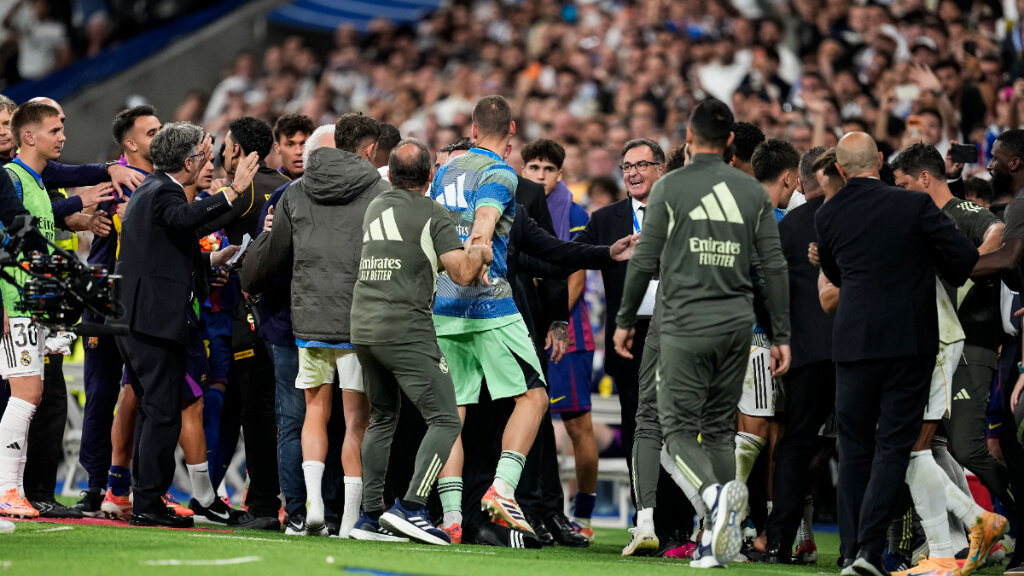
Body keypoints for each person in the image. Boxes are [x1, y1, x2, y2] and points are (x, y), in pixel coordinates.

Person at [613, 99, 791, 569]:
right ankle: (715, 540)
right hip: (736, 326)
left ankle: (714, 499)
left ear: (689, 139)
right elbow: (771, 267)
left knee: (673, 431)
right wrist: (781, 335)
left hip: (683, 322)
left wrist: (626, 319)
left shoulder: (671, 187)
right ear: (731, 141)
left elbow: (644, 259)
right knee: (716, 430)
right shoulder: (751, 191)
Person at [815, 132, 979, 576]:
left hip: (853, 343)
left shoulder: (828, 214)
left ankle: (852, 552)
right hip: (909, 343)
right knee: (892, 447)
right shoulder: (914, 205)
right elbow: (965, 258)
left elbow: (835, 273)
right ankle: (869, 552)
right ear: (882, 161)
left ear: (840, 169)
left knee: (853, 450)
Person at [243, 113, 388, 537]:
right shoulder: (377, 190)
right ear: (364, 150)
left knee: (312, 414)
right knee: (356, 421)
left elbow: (272, 258)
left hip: (307, 323)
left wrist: (249, 272)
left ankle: (311, 506)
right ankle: (350, 520)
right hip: (356, 322)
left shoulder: (295, 191)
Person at [352, 138, 491, 545]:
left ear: (391, 174)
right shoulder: (433, 212)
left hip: (363, 326)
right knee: (446, 419)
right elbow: (462, 274)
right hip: (405, 328)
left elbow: (406, 256)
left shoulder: (375, 205)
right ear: (431, 175)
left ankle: (369, 517)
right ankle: (412, 508)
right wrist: (481, 254)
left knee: (382, 418)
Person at [111, 122, 248, 528]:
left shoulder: (150, 190)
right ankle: (148, 504)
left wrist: (213, 259)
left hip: (136, 318)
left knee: (155, 412)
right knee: (163, 414)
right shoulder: (164, 191)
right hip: (153, 321)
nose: (208, 161)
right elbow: (185, 217)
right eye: (204, 154)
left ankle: (146, 499)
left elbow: (167, 250)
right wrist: (234, 190)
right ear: (188, 163)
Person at [431, 95, 549, 539]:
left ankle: (452, 518)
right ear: (511, 131)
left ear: (474, 129)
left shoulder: (444, 171)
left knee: (452, 414)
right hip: (488, 305)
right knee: (534, 397)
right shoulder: (501, 173)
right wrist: (478, 249)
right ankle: (503, 488)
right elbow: (484, 219)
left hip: (443, 306)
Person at [890, 143, 1010, 576]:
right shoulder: (917, 218)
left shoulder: (959, 211)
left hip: (965, 342)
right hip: (932, 341)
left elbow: (997, 232)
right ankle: (965, 538)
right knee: (936, 446)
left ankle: (995, 522)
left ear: (925, 178)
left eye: (904, 183)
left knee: (961, 445)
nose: (901, 192)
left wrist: (965, 272)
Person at [576, 136, 691, 550]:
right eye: (627, 166)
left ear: (661, 168)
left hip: (678, 333)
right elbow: (576, 255)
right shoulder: (606, 218)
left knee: (677, 430)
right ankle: (648, 521)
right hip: (628, 338)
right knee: (637, 430)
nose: (634, 173)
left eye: (642, 164)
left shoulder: (682, 211)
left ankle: (679, 527)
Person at [251, 124, 343, 536]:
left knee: (325, 420)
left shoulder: (290, 196)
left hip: (322, 325)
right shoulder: (288, 196)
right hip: (296, 326)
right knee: (298, 419)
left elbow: (262, 261)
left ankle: (326, 511)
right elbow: (263, 260)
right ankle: (301, 511)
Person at [199, 116, 286, 531]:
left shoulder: (242, 190)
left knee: (252, 411)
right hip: (278, 314)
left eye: (226, 146)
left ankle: (263, 503)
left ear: (235, 150)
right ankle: (219, 497)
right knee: (248, 408)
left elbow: (196, 223)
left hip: (245, 315)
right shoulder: (286, 185)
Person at [73, 105, 160, 519]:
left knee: (144, 392)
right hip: (105, 295)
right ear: (130, 143)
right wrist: (86, 218)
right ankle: (95, 485)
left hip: (145, 297)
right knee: (102, 390)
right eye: (151, 131)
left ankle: (137, 486)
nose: (159, 136)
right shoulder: (110, 183)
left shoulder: (163, 181)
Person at [521, 138, 599, 540]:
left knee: (577, 425)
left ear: (560, 174)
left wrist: (555, 322)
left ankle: (583, 514)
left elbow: (576, 276)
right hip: (529, 326)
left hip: (568, 333)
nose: (540, 176)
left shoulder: (576, 213)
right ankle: (538, 506)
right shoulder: (516, 205)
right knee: (533, 419)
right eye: (534, 168)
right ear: (523, 171)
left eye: (548, 169)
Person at [764, 146, 834, 564]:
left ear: (802, 182)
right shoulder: (857, 213)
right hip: (858, 349)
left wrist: (779, 336)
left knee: (795, 444)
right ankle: (861, 548)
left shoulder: (787, 225)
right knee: (860, 446)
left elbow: (765, 287)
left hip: (804, 353)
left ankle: (777, 543)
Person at [0, 102, 64, 520]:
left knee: (32, 396)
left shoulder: (38, 184)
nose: (62, 136)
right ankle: (6, 489)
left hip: (34, 303)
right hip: (14, 302)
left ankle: (14, 489)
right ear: (29, 136)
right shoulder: (11, 178)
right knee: (24, 397)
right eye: (54, 130)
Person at [737, 139, 800, 548]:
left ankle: (733, 521)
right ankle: (719, 520)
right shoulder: (779, 220)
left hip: (718, 333)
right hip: (758, 337)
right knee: (760, 433)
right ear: (789, 178)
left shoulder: (731, 211)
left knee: (734, 432)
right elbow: (769, 282)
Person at [273, 114, 314, 180]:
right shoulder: (267, 184)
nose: (299, 151)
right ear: (277, 148)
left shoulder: (327, 182)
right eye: (290, 145)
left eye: (305, 144)